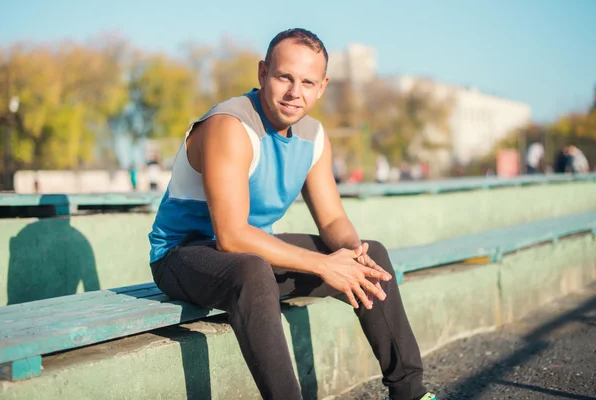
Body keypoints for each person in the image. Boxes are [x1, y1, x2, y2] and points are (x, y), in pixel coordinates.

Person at [148, 28, 435, 400]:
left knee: (372, 254)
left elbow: (332, 221)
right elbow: (231, 237)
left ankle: (410, 394)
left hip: (254, 255)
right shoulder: (230, 126)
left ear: (322, 86)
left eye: (307, 81)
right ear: (263, 72)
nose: (294, 92)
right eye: (284, 76)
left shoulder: (313, 136)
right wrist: (322, 265)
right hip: (182, 255)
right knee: (251, 270)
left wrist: (351, 253)